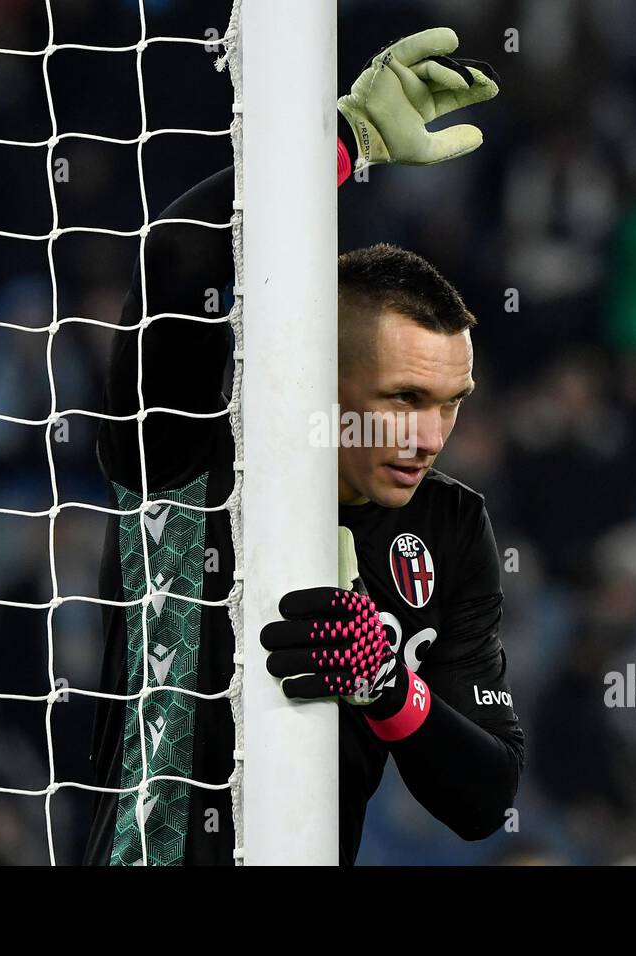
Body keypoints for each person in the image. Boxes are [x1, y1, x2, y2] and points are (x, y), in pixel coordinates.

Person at [84, 28, 524, 866]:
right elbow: (180, 257)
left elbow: (488, 794)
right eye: (402, 399)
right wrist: (347, 140)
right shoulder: (190, 450)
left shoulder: (453, 527)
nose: (430, 438)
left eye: (450, 405)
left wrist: (389, 688)